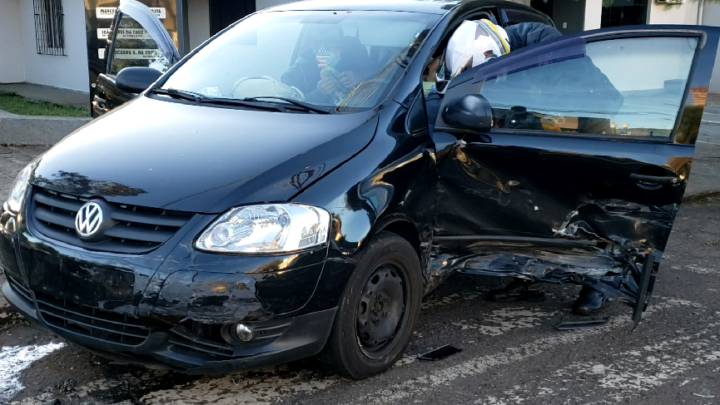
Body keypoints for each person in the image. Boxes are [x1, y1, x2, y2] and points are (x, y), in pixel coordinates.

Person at [425, 19, 610, 316]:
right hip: (541, 136)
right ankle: (525, 279)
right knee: (527, 205)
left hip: (590, 133)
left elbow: (602, 105)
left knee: (582, 209)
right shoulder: (500, 52)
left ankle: (599, 284)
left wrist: (540, 117)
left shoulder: (555, 54)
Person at [282, 36, 373, 105]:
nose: (333, 53)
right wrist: (319, 93)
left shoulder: (349, 62)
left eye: (337, 48)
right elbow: (291, 105)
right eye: (328, 48)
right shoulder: (300, 70)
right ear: (316, 49)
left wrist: (360, 77)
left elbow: (380, 75)